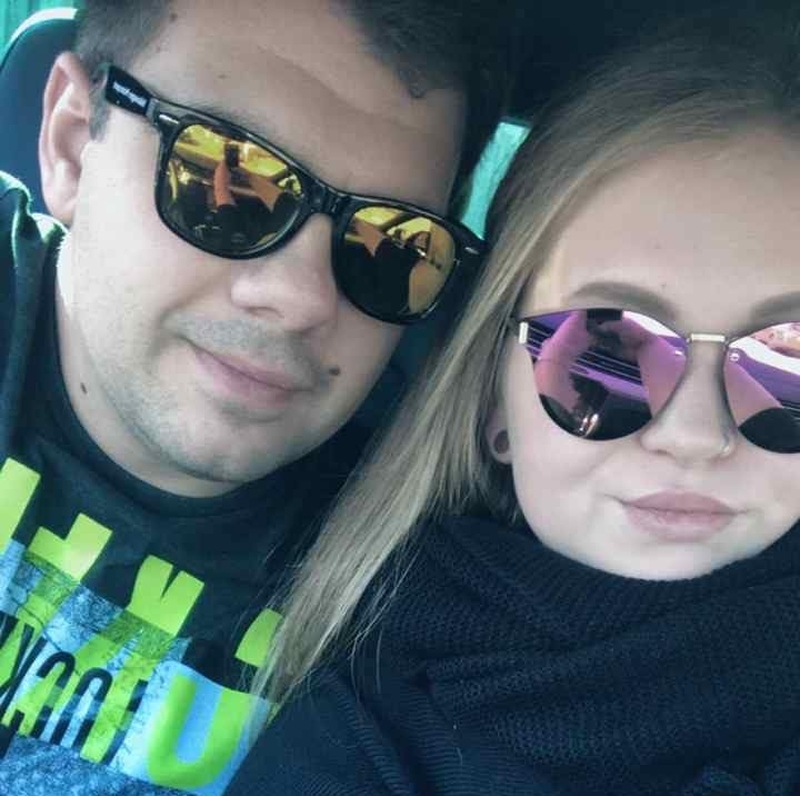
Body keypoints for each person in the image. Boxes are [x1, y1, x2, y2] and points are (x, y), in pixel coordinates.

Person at [228, 7, 800, 795]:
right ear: (495, 403)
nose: (696, 434)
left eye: (787, 359)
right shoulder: (358, 736)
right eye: (607, 348)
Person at [0, 0, 515, 793]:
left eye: (389, 246)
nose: (303, 298)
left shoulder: (422, 587)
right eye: (228, 180)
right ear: (72, 145)